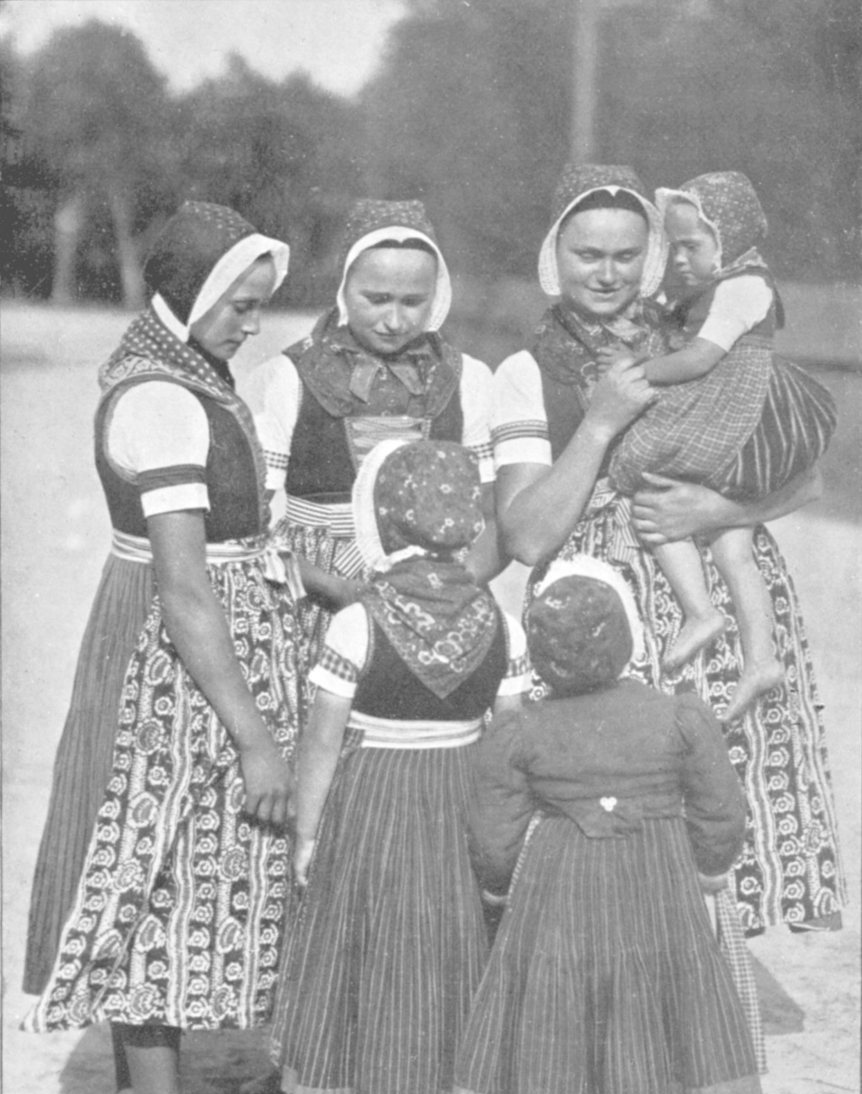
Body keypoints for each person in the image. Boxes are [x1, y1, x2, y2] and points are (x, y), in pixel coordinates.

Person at [491, 162, 844, 951]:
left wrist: (724, 507)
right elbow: (526, 537)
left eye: (627, 254)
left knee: (719, 778)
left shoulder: (699, 329)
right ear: (556, 256)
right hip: (597, 611)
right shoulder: (528, 370)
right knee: (608, 804)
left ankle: (703, 1000)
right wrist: (599, 424)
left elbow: (806, 472)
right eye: (589, 254)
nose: (609, 274)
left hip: (706, 579)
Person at [25, 201, 301, 1094]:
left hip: (186, 637)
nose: (251, 324)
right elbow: (187, 590)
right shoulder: (163, 399)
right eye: (239, 304)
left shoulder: (189, 374)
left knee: (174, 855)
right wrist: (255, 735)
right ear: (187, 295)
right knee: (156, 864)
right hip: (173, 656)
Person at [451, 558, 762, 1094]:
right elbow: (721, 813)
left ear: (540, 657)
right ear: (627, 641)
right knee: (649, 1019)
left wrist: (499, 888)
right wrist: (709, 869)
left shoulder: (521, 730)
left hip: (559, 882)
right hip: (655, 879)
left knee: (559, 1022)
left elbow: (494, 829)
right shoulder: (679, 716)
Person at [269, 439, 530, 1094]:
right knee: (453, 964)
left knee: (381, 965)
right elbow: (510, 741)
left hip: (376, 799)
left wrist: (307, 837)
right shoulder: (500, 620)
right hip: (460, 796)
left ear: (378, 519)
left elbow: (320, 744)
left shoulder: (358, 621)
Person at [241, 197, 502, 717]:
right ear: (343, 289)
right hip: (315, 596)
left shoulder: (468, 378)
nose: (394, 319)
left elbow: (489, 518)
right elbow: (249, 527)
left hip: (437, 600)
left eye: (413, 301)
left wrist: (442, 595)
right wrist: (339, 589)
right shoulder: (288, 378)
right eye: (376, 298)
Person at [600, 172, 836, 722]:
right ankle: (760, 657)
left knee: (642, 472)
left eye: (692, 246)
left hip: (729, 416)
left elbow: (701, 360)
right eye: (674, 246)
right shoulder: (719, 283)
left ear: (727, 242)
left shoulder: (744, 286)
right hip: (732, 419)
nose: (680, 258)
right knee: (733, 548)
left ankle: (701, 611)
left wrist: (638, 369)